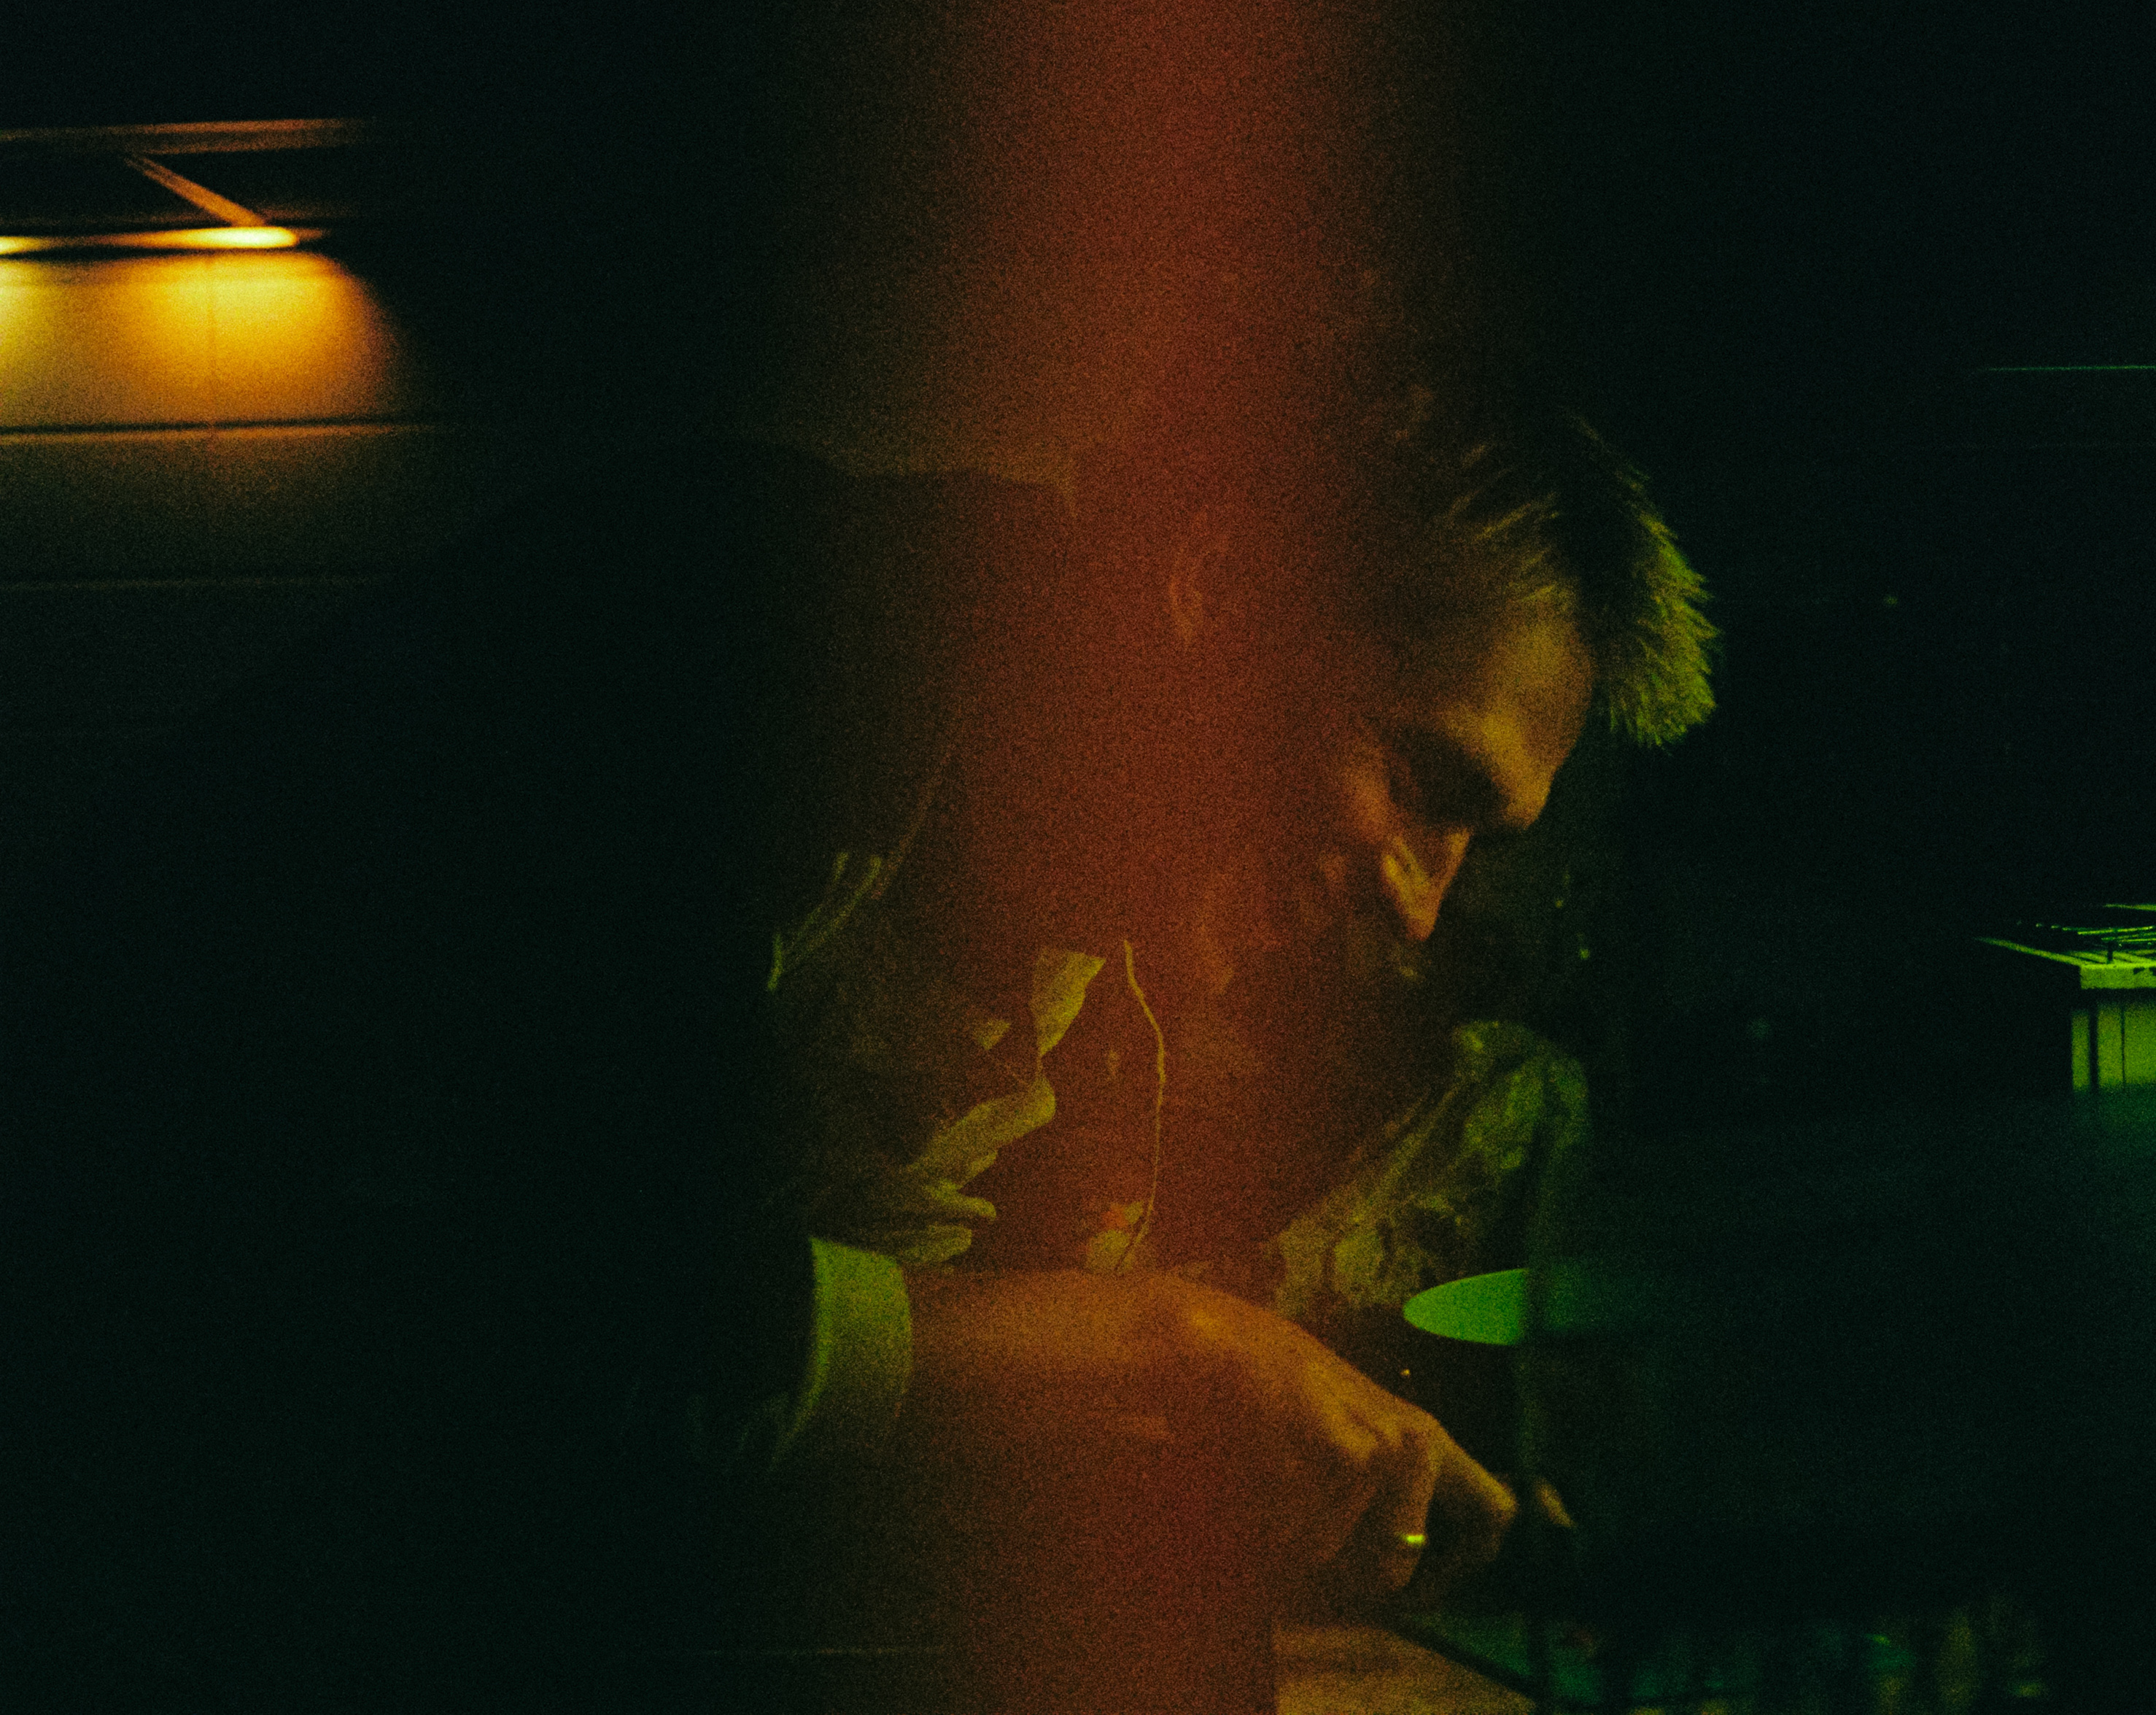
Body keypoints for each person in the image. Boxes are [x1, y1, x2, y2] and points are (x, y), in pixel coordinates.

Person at [0, 357, 1715, 1711]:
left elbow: (897, 1387)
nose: (1419, 906)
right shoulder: (748, 627)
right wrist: (1179, 1356)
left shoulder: (1090, 967)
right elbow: (568, 1308)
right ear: (1222, 583)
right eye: (1419, 781)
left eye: (1478, 841)